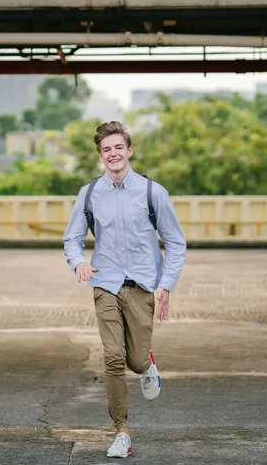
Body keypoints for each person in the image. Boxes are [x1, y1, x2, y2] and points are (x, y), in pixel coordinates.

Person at [63, 120, 186, 458]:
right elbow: (71, 238)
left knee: (133, 359)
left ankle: (147, 366)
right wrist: (79, 263)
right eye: (106, 150)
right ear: (100, 156)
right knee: (113, 358)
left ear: (129, 151)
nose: (113, 154)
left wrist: (166, 285)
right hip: (104, 282)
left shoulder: (152, 192)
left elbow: (176, 242)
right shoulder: (89, 194)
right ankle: (121, 432)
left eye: (119, 147)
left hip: (144, 284)